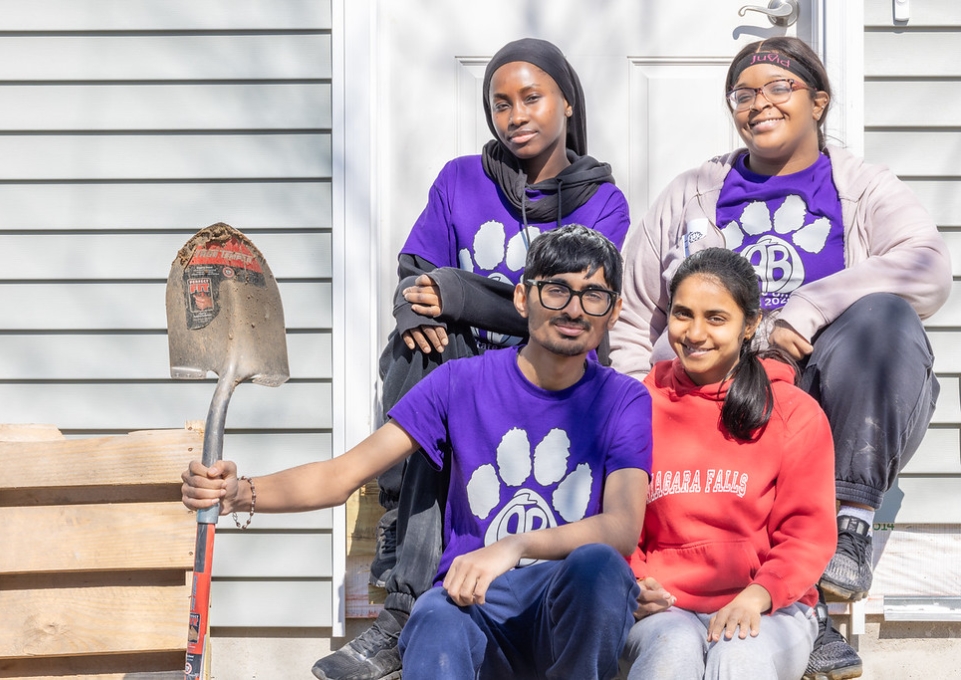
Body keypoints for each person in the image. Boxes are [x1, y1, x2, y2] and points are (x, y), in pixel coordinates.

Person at [608, 36, 951, 680]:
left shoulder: (861, 185)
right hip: (707, 405)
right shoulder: (692, 192)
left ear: (819, 101)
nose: (758, 104)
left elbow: (929, 270)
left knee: (886, 317)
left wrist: (807, 308)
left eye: (779, 88)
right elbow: (635, 318)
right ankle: (806, 613)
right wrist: (634, 418)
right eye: (743, 94)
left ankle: (843, 533)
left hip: (817, 402)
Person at [182, 225, 652, 680]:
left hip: (564, 608)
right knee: (433, 616)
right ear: (522, 298)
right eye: (556, 290)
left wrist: (515, 545)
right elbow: (341, 474)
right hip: (475, 604)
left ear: (613, 312)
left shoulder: (623, 399)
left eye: (593, 295)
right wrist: (239, 493)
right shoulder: (459, 383)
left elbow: (621, 527)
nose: (573, 309)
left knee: (601, 566)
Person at [315, 37, 632, 680]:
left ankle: (409, 608)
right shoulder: (461, 179)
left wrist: (458, 291)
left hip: (549, 375)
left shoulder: (604, 203)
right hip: (464, 370)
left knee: (471, 347)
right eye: (500, 104)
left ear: (567, 102)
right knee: (419, 345)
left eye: (532, 98)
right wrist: (415, 302)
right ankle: (405, 578)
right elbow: (416, 271)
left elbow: (567, 309)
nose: (516, 115)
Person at [619, 247, 837, 679]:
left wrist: (758, 595)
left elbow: (806, 536)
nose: (695, 333)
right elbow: (616, 520)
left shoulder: (793, 411)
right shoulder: (636, 405)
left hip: (769, 608)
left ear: (750, 324)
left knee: (738, 657)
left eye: (716, 318)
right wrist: (635, 583)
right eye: (682, 314)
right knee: (671, 651)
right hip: (663, 609)